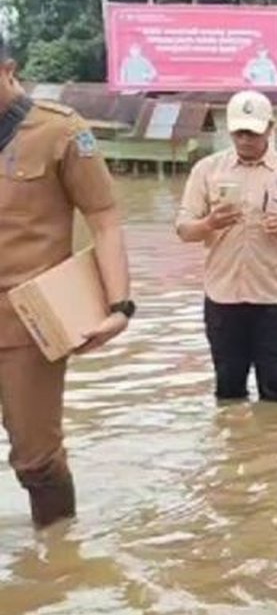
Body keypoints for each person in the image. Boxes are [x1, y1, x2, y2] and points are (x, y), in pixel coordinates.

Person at [0, 32, 134, 527]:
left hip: (27, 325)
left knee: (36, 458)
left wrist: (119, 307)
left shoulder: (60, 132)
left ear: (8, 68)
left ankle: (58, 557)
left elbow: (104, 217)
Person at [176, 90, 277, 403]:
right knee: (228, 391)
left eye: (253, 132)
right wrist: (209, 224)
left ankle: (270, 447)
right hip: (223, 298)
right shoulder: (207, 170)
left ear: (270, 129)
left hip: (274, 299)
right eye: (240, 132)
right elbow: (184, 229)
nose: (246, 140)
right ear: (229, 130)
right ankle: (237, 448)